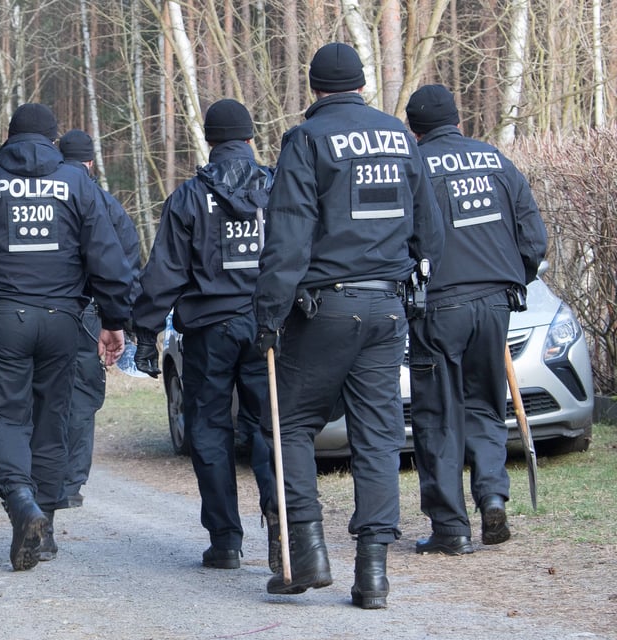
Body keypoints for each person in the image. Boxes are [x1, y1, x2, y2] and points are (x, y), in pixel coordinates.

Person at [252, 43, 444, 609]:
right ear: (361, 83)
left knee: (287, 425)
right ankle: (373, 574)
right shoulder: (399, 138)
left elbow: (287, 235)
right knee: (378, 436)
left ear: (315, 89)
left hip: (326, 309)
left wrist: (268, 315)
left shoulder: (307, 140)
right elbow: (426, 229)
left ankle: (306, 553)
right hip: (387, 309)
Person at [0, 103, 133, 571]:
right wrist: (114, 319)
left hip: (4, 319)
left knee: (2, 417)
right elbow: (106, 255)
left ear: (10, 136)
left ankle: (21, 502)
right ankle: (46, 531)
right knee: (52, 419)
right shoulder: (75, 181)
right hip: (63, 319)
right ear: (52, 138)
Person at [131, 100, 278, 571]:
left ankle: (225, 541)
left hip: (208, 333)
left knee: (210, 432)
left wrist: (146, 334)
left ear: (210, 142)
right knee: (270, 429)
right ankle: (281, 526)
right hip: (265, 328)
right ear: (251, 140)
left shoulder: (189, 198)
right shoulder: (278, 191)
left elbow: (164, 273)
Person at [404, 84, 548, 555]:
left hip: (440, 307)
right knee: (486, 404)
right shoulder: (495, 162)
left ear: (414, 129)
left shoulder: (415, 167)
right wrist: (512, 283)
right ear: (458, 120)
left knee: (438, 416)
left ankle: (451, 528)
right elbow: (533, 238)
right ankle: (491, 495)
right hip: (495, 303)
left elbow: (401, 240)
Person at [57, 129, 141, 514]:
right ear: (91, 162)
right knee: (82, 398)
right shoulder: (109, 206)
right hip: (92, 313)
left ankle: (37, 476)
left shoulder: (50, 197)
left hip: (50, 308)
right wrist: (120, 317)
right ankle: (72, 481)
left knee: (40, 392)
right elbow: (128, 264)